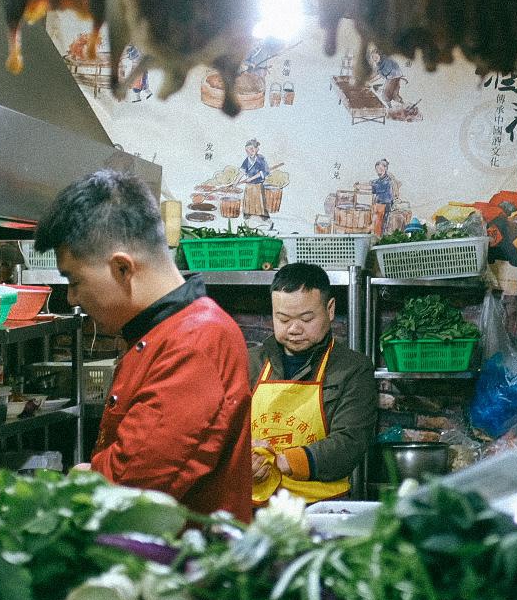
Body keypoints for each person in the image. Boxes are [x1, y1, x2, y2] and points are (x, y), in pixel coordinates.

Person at [34, 169, 254, 516]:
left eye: (74, 280)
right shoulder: (165, 331)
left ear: (122, 268)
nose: (73, 298)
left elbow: (129, 489)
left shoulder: (195, 342)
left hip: (184, 566)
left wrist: (87, 479)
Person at [249, 262, 376, 503]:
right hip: (255, 505)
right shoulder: (250, 363)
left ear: (330, 310)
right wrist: (243, 461)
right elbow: (222, 429)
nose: (294, 329)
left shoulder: (353, 368)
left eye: (307, 318)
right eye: (283, 319)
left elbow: (351, 442)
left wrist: (286, 461)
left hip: (321, 509)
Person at [370, 159, 395, 237]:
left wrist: (360, 186)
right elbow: (373, 185)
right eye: (377, 169)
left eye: (381, 169)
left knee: (380, 225)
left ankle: (379, 237)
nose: (379, 171)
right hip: (379, 205)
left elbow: (372, 187)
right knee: (377, 224)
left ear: (386, 168)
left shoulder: (386, 181)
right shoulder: (379, 180)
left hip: (384, 205)